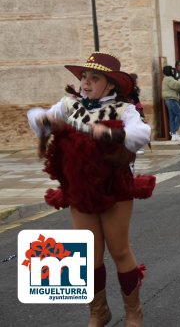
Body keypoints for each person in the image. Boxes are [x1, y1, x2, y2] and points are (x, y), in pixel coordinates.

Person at [27, 52, 155, 326]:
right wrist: (47, 121)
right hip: (80, 189)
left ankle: (134, 312)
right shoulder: (69, 104)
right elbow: (37, 117)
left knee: (119, 251)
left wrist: (110, 133)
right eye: (84, 76)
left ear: (110, 85)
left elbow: (142, 134)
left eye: (94, 78)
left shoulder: (124, 110)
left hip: (114, 188)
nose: (86, 82)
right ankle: (98, 311)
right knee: (88, 254)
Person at [162, 64, 180, 141]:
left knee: (172, 117)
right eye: (172, 70)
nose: (173, 71)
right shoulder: (168, 79)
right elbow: (177, 85)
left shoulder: (167, 79)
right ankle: (173, 132)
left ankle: (174, 135)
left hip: (169, 100)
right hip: (171, 99)